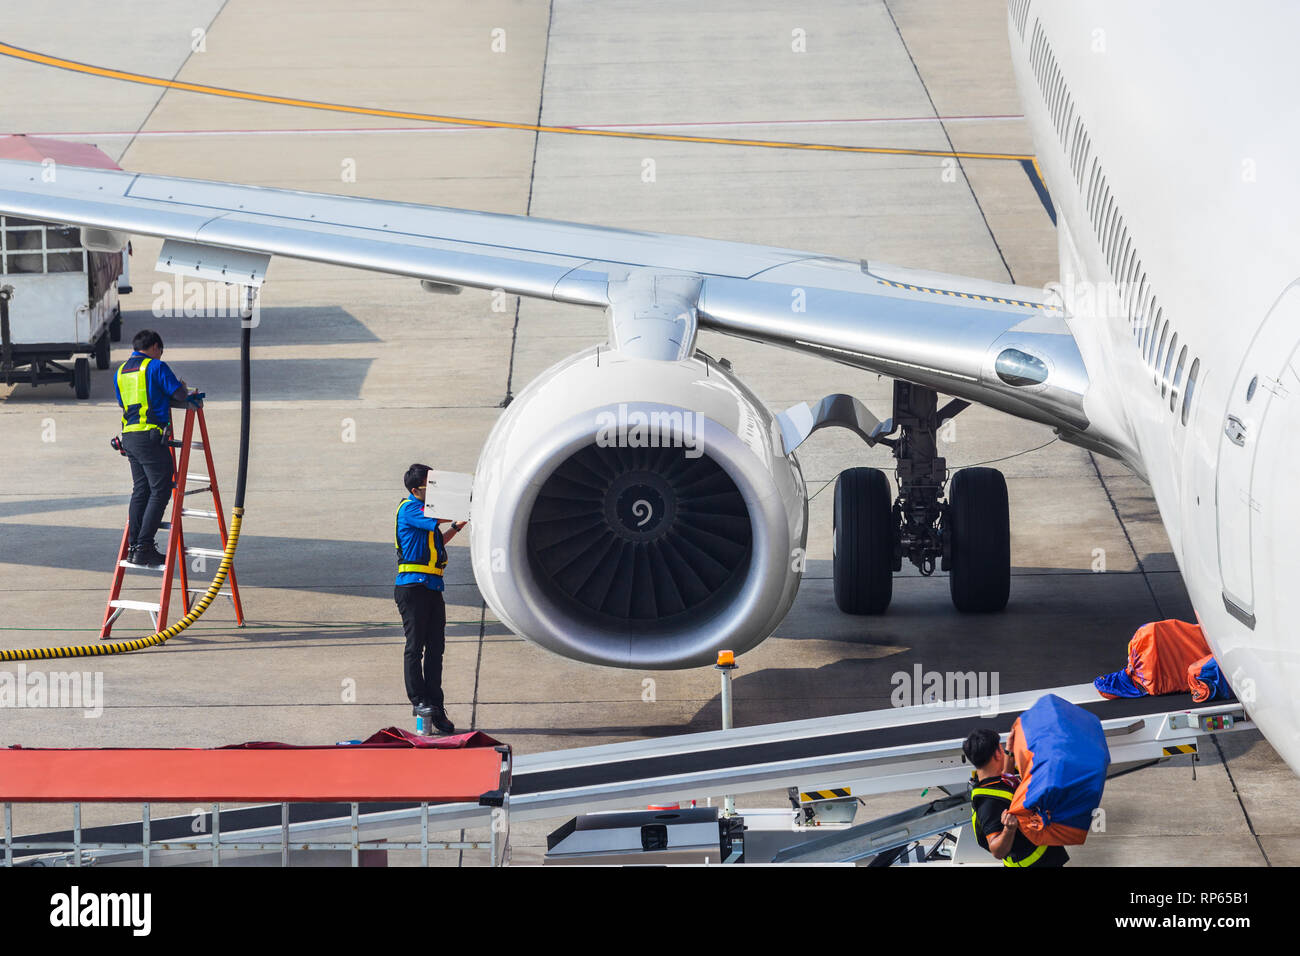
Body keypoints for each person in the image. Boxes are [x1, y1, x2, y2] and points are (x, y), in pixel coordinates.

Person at [114, 329, 201, 569]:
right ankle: (144, 547)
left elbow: (125, 403)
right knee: (161, 490)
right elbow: (180, 394)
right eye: (160, 352)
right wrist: (182, 387)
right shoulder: (155, 367)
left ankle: (134, 548)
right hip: (150, 437)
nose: (160, 356)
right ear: (155, 348)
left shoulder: (121, 372)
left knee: (140, 490)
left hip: (129, 436)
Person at [394, 463, 466, 735]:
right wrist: (463, 503)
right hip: (412, 588)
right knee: (415, 648)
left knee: (436, 650)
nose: (435, 491)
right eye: (431, 485)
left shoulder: (426, 516)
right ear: (416, 490)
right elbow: (436, 518)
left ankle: (436, 707)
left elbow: (436, 540)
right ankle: (419, 700)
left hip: (433, 588)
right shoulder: (410, 508)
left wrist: (457, 527)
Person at [963, 727, 1069, 867]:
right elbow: (997, 851)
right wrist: (1009, 829)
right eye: (1000, 748)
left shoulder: (990, 780)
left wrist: (1009, 751)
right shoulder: (988, 804)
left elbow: (1006, 780)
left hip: (1044, 855)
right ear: (997, 754)